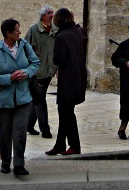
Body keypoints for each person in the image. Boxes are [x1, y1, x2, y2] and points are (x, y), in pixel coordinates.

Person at [0, 18, 40, 176]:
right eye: (16, 30)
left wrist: (27, 73)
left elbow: (35, 63)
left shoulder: (24, 46)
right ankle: (5, 162)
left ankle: (19, 164)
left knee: (20, 132)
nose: (19, 32)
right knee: (4, 133)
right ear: (8, 34)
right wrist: (9, 78)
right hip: (2, 101)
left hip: (23, 98)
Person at [46, 8, 86, 156]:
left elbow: (58, 59)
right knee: (65, 112)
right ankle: (60, 144)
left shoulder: (62, 37)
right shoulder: (76, 33)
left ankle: (75, 145)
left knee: (67, 113)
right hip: (77, 78)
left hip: (68, 80)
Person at [25, 4, 58, 139]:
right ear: (43, 15)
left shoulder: (55, 31)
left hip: (49, 70)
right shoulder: (34, 30)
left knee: (37, 98)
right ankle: (45, 129)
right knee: (40, 99)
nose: (52, 15)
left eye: (52, 12)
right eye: (49, 13)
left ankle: (28, 125)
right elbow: (25, 49)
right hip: (37, 72)